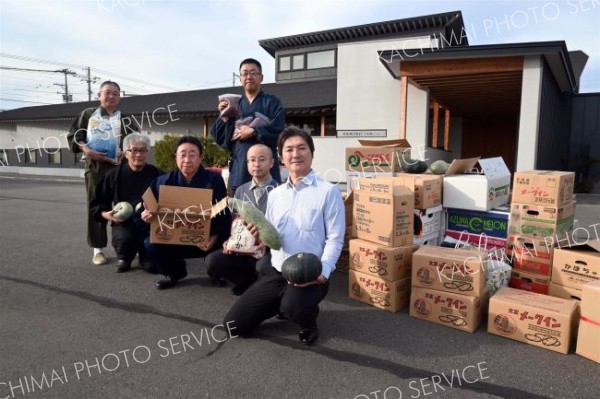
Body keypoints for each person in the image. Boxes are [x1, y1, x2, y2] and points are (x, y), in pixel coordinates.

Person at [223, 127, 345, 345]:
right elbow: (271, 234)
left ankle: (307, 321)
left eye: (301, 148)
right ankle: (281, 302)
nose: (295, 154)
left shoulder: (328, 192)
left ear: (312, 152)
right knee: (233, 325)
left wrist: (323, 273)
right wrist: (258, 237)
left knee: (294, 308)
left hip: (309, 276)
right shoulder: (276, 194)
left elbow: (335, 238)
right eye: (289, 149)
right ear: (281, 157)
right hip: (277, 271)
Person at [140, 136, 231, 290]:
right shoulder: (162, 182)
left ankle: (216, 272)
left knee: (223, 242)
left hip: (205, 239)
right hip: (174, 238)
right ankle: (174, 272)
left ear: (200, 157)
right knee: (151, 243)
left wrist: (214, 236)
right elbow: (146, 210)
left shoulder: (214, 181)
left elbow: (223, 214)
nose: (187, 159)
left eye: (192, 154)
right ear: (175, 157)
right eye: (182, 154)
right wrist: (145, 216)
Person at [67, 81, 139, 266]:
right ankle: (97, 249)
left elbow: (135, 139)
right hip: (96, 169)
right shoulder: (88, 114)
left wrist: (127, 150)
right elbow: (74, 136)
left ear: (119, 97)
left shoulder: (126, 118)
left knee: (126, 207)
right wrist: (86, 150)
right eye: (107, 93)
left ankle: (129, 245)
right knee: (97, 206)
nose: (111, 96)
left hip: (121, 169)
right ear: (99, 95)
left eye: (115, 93)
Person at [204, 144, 279, 296]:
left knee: (264, 266)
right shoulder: (241, 190)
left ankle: (268, 292)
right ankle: (246, 281)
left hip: (268, 250)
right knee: (213, 261)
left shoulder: (280, 190)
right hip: (243, 247)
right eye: (252, 160)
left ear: (271, 162)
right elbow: (235, 221)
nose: (256, 164)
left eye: (261, 159)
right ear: (247, 164)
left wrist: (266, 244)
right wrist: (229, 241)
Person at [210, 58, 285, 194]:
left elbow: (279, 134)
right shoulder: (233, 104)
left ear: (261, 77)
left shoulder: (273, 102)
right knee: (240, 214)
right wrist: (224, 117)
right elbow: (222, 141)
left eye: (253, 73)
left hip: (267, 174)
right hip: (240, 170)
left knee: (268, 213)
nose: (248, 77)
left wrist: (254, 132)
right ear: (240, 78)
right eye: (244, 73)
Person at [90, 133, 162, 274]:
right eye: (133, 150)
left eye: (143, 150)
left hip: (149, 223)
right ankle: (124, 257)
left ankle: (145, 257)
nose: (138, 154)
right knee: (125, 239)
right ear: (125, 153)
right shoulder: (113, 175)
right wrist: (105, 214)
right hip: (123, 223)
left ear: (147, 153)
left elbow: (169, 196)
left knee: (151, 266)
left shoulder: (157, 174)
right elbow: (98, 200)